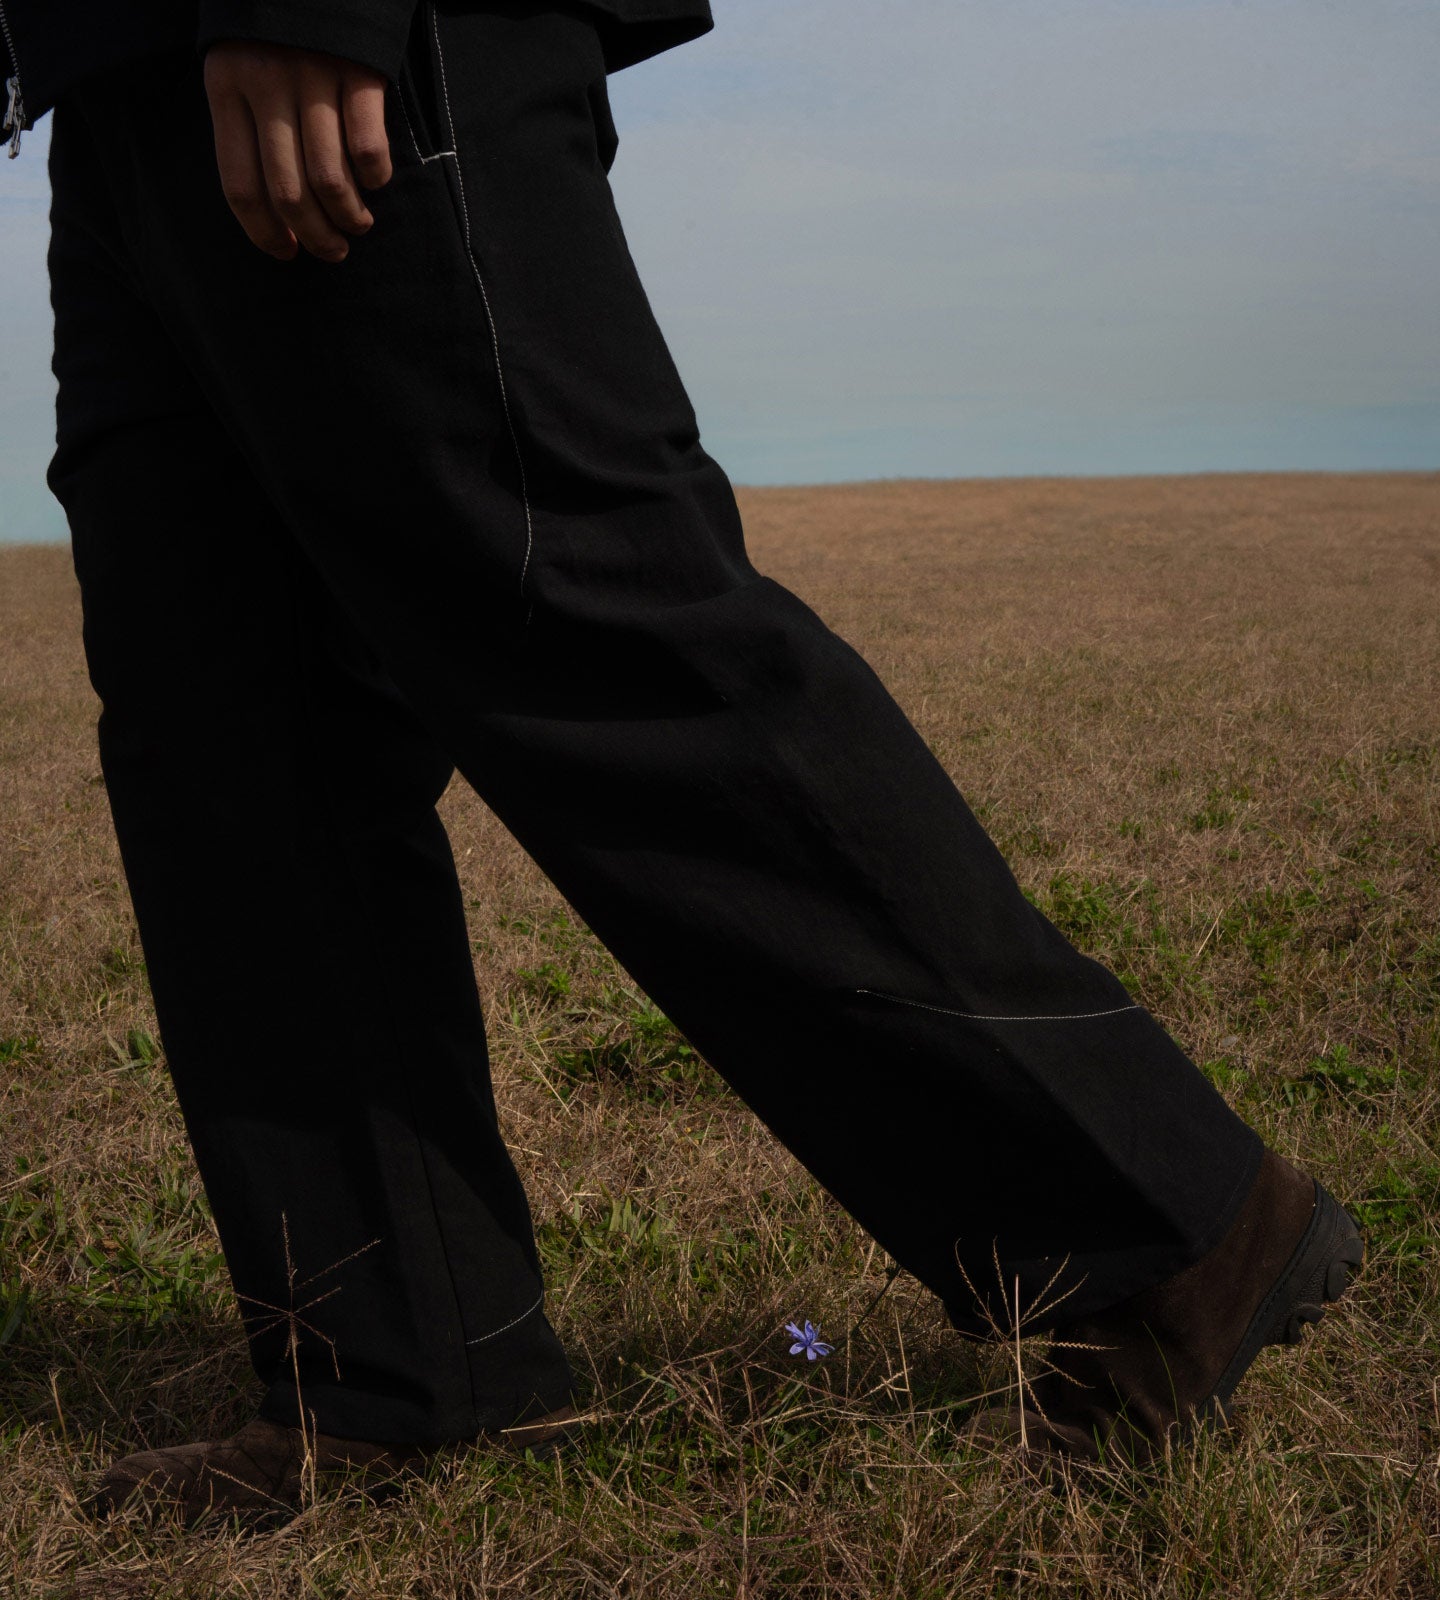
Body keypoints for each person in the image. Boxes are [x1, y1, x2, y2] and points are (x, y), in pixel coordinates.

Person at [3, 0, 1363, 1521]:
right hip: (107, 67)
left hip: (351, 35)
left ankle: (1176, 1229)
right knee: (230, 740)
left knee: (590, 630)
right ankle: (400, 1372)